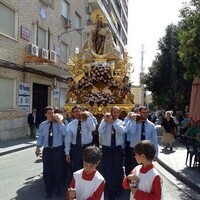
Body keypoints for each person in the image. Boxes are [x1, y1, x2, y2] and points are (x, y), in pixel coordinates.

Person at [35, 106, 68, 199]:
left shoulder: (59, 123)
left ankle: (58, 188)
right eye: (49, 113)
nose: (51, 114)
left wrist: (60, 122)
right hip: (47, 150)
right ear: (45, 114)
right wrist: (38, 147)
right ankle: (48, 191)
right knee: (47, 171)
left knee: (58, 170)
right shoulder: (42, 125)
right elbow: (40, 137)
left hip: (58, 149)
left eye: (52, 112)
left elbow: (66, 133)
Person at [98, 106, 125, 200]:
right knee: (107, 170)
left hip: (117, 149)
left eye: (117, 112)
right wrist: (105, 121)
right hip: (107, 149)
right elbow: (100, 131)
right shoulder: (104, 121)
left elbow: (122, 131)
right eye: (114, 112)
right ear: (111, 112)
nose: (115, 114)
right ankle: (108, 190)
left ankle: (117, 189)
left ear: (119, 113)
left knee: (117, 170)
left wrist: (113, 123)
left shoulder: (120, 122)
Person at [125, 106, 158, 171]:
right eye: (143, 112)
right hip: (135, 149)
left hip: (146, 150)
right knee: (134, 170)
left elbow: (154, 140)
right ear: (138, 112)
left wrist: (155, 154)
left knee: (145, 170)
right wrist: (134, 120)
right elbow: (132, 131)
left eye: (146, 113)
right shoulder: (133, 122)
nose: (145, 114)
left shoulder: (151, 125)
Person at [65, 105, 96, 172]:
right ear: (73, 113)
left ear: (82, 112)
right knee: (77, 168)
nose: (77, 113)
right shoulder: (70, 125)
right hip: (76, 148)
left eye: (79, 111)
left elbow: (93, 128)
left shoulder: (87, 122)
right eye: (75, 112)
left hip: (87, 147)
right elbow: (68, 140)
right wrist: (67, 152)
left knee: (88, 167)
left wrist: (88, 116)